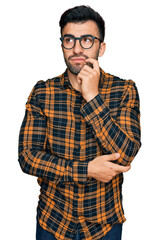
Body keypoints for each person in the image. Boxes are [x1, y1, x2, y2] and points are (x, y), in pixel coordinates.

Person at [18, 5, 141, 240]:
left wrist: (93, 97)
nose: (76, 49)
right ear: (61, 44)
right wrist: (86, 170)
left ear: (101, 47)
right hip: (53, 221)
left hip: (104, 223)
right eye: (69, 40)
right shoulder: (43, 92)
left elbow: (125, 154)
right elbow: (28, 157)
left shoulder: (124, 90)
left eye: (87, 40)